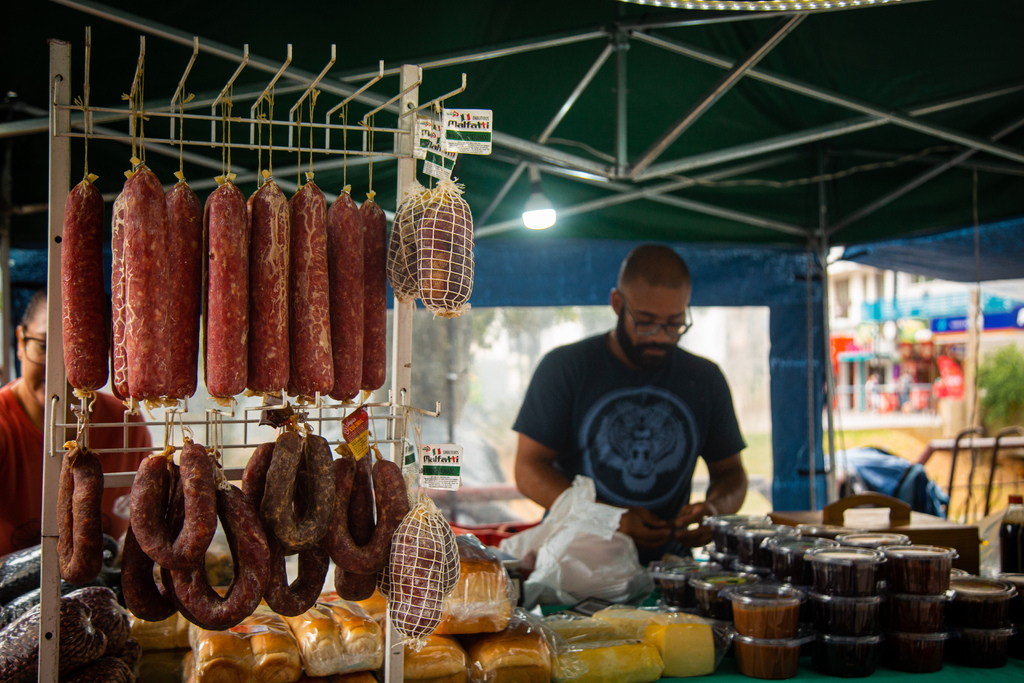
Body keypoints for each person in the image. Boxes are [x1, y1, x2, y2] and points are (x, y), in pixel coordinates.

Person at [513, 244, 748, 563]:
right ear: (617, 304)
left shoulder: (705, 378)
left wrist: (715, 510)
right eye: (646, 321)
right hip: (574, 566)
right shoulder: (567, 368)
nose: (661, 337)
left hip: (669, 567)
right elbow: (528, 469)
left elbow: (731, 473)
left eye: (674, 323)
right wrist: (607, 519)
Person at [0, 290, 152, 556]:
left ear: (108, 355)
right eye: (45, 347)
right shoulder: (4, 426)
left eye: (82, 351)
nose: (59, 368)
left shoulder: (128, 424)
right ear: (21, 342)